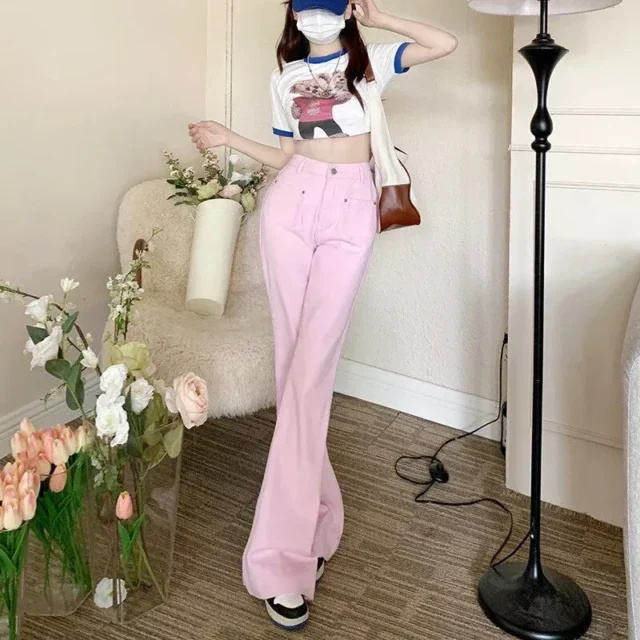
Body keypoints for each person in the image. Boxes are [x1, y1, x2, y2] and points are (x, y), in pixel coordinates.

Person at [189, 0, 457, 630]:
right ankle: (314, 521)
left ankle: (282, 560)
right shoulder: (284, 75)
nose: (316, 12)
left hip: (351, 209)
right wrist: (229, 139)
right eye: (306, 3)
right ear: (293, 13)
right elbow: (287, 155)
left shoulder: (371, 62)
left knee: (309, 378)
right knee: (295, 374)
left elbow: (444, 43)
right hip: (290, 206)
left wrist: (382, 17)